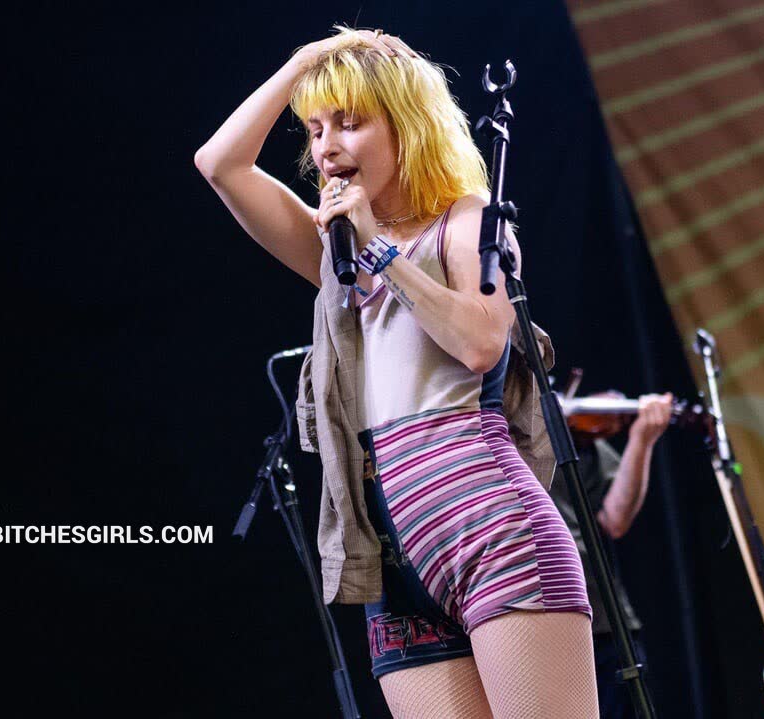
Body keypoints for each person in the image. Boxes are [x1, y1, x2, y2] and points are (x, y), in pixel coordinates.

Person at [196, 27, 598, 718]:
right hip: (392, 556)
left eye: (350, 123)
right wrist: (306, 60)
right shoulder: (334, 256)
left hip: (492, 526)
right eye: (316, 129)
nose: (326, 147)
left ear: (407, 126)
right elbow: (219, 163)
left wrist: (383, 253)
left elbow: (480, 344)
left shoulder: (467, 221)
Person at [549, 392, 673, 719]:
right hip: (530, 617)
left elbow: (615, 518)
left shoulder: (569, 434)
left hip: (600, 616)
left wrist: (642, 441)